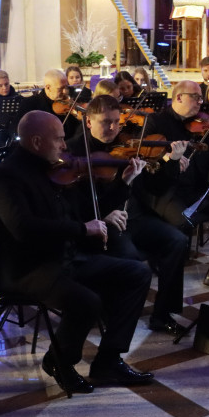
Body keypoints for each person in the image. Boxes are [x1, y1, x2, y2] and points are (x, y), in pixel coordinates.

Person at [0, 111, 154, 393]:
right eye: (59, 139)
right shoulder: (7, 176)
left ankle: (109, 360)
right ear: (37, 141)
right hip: (28, 268)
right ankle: (60, 361)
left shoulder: (53, 168)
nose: (65, 146)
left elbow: (89, 213)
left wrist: (123, 183)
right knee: (87, 301)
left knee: (137, 271)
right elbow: (23, 228)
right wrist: (81, 230)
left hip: (66, 258)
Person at [65, 96, 188, 335]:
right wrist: (105, 213)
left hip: (135, 217)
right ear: (88, 122)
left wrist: (169, 162)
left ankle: (162, 314)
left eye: (116, 122)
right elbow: (75, 204)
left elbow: (154, 188)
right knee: (130, 257)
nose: (113, 128)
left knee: (177, 241)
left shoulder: (126, 147)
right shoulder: (75, 151)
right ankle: (116, 318)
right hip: (104, 222)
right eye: (105, 122)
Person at [132, 81, 209, 287]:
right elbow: (144, 156)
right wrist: (169, 158)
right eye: (196, 97)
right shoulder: (156, 121)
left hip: (196, 189)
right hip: (166, 191)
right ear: (178, 97)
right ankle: (163, 256)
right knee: (184, 219)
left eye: (201, 98)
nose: (200, 103)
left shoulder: (203, 126)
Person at [25, 69, 79, 137]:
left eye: (66, 87)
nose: (65, 92)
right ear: (48, 88)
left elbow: (77, 130)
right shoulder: (30, 104)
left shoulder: (68, 104)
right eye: (60, 89)